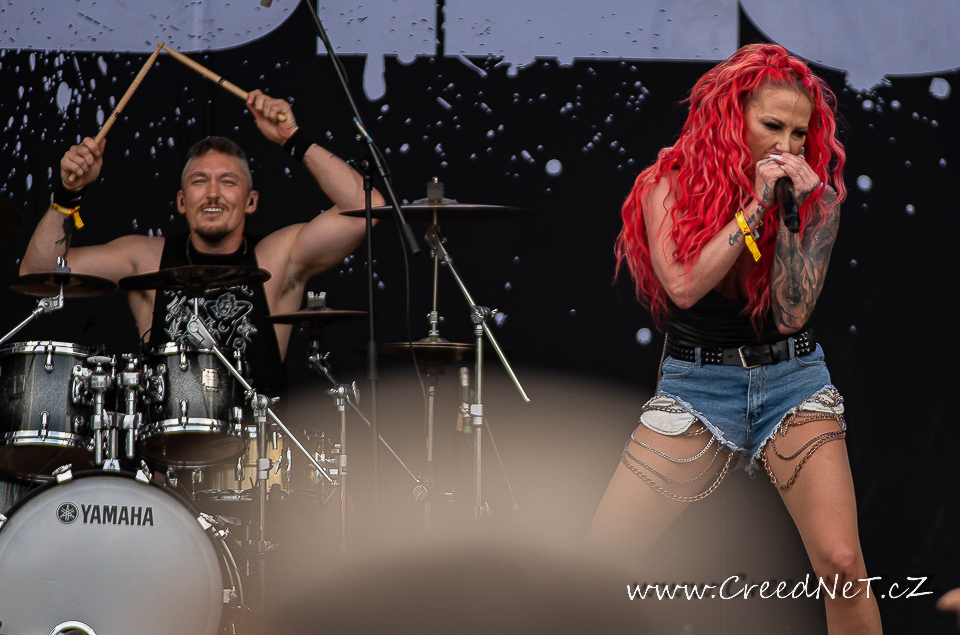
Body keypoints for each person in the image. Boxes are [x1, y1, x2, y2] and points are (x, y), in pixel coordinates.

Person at [587, 44, 882, 633]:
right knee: (598, 565)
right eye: (772, 126)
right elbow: (683, 286)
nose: (787, 147)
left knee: (843, 564)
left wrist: (796, 214)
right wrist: (753, 207)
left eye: (799, 134)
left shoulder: (816, 198)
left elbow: (792, 313)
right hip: (698, 384)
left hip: (791, 378)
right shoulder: (667, 184)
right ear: (731, 119)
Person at [19, 90, 381, 396]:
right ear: (181, 201)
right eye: (199, 181)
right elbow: (38, 275)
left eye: (228, 181)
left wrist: (293, 138)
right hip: (165, 454)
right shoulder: (144, 259)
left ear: (251, 201)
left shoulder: (277, 258)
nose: (212, 194)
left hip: (258, 455)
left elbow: (367, 208)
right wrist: (68, 193)